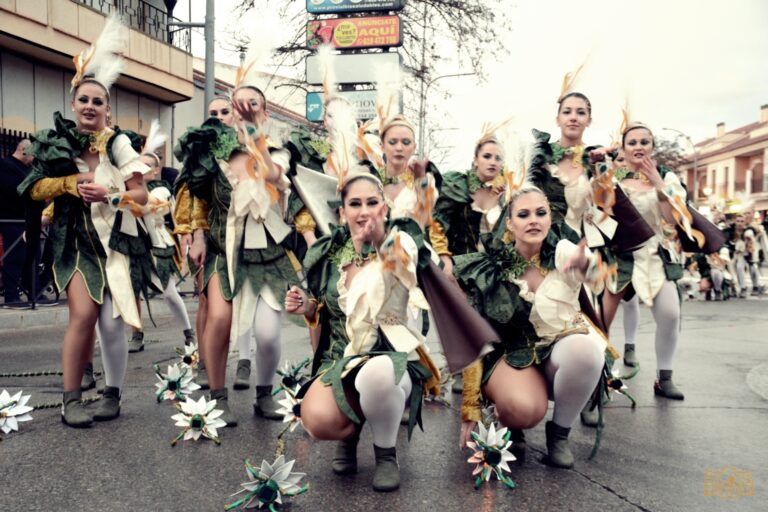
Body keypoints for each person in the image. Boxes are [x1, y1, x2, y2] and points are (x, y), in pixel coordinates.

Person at [17, 15, 151, 427]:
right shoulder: (55, 141)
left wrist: (111, 195)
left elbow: (142, 196)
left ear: (108, 109)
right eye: (84, 100)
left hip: (116, 243)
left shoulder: (119, 143)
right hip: (74, 242)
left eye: (98, 101)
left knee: (111, 326)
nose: (90, 106)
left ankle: (112, 394)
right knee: (83, 316)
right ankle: (70, 400)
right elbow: (32, 189)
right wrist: (70, 183)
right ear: (73, 104)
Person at [285, 173, 441, 491]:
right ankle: (350, 431)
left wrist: (380, 236)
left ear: (385, 208)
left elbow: (404, 267)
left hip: (393, 360)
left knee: (377, 375)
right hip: (343, 360)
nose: (364, 211)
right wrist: (307, 307)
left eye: (372, 202)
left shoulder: (401, 241)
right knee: (316, 419)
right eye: (355, 204)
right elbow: (326, 309)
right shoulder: (332, 255)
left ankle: (386, 454)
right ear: (342, 212)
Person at [455, 184, 607, 469]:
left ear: (550, 218)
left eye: (541, 213)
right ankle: (509, 418)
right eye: (523, 215)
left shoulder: (563, 251)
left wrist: (586, 265)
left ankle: (559, 435)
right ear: (510, 224)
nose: (534, 220)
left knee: (587, 351)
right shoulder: (492, 267)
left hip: (559, 349)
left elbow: (595, 275)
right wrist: (470, 406)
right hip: (512, 354)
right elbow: (474, 337)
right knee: (523, 411)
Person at [177, 81, 297, 426]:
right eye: (238, 105)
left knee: (268, 334)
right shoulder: (214, 153)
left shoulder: (277, 151)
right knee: (218, 319)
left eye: (252, 105)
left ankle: (264, 394)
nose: (244, 111)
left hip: (267, 256)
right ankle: (217, 396)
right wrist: (198, 236)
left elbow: (273, 176)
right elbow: (199, 198)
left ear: (265, 113)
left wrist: (255, 137)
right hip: (222, 249)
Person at [610, 123, 720, 399]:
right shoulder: (613, 178)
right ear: (623, 148)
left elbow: (672, 219)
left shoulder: (667, 178)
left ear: (652, 147)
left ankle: (664, 378)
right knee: (603, 318)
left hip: (653, 255)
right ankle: (599, 382)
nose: (638, 147)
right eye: (632, 142)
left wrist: (657, 182)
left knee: (670, 314)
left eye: (644, 142)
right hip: (618, 257)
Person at [430, 129, 506, 393]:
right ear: (475, 160)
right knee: (464, 314)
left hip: (494, 263)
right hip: (462, 261)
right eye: (487, 156)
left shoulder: (507, 189)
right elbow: (438, 224)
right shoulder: (458, 185)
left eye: (498, 157)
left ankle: (493, 371)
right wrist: (445, 258)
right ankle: (465, 368)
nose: (492, 162)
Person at [173, 95, 236, 389]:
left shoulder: (243, 145)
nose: (219, 117)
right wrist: (192, 233)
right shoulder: (200, 148)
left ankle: (236, 362)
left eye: (225, 111)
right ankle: (204, 362)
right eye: (213, 112)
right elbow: (190, 193)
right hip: (206, 235)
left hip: (241, 237)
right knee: (206, 301)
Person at [1, 139, 34, 307]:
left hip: (25, 219)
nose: (34, 159)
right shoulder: (6, 166)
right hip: (11, 219)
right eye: (34, 154)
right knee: (14, 257)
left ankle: (32, 292)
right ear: (23, 151)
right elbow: (15, 191)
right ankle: (11, 296)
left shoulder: (26, 168)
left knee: (28, 257)